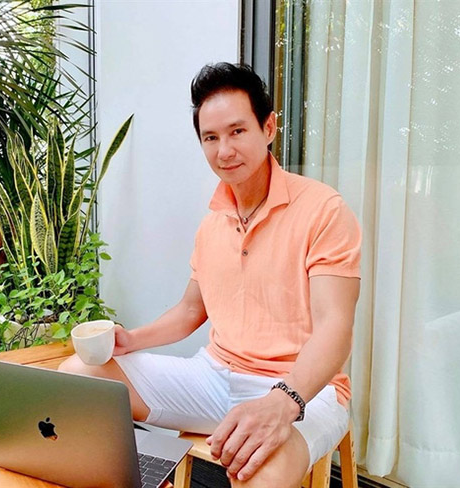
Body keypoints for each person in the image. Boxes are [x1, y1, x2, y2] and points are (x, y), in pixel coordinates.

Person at [59, 62, 361, 488]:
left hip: (305, 391)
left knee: (258, 472)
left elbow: (336, 326)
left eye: (237, 131)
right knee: (78, 377)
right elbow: (190, 311)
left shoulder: (323, 210)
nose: (225, 151)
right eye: (211, 138)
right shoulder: (213, 223)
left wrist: (282, 402)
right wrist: (132, 340)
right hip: (214, 377)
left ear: (268, 127)